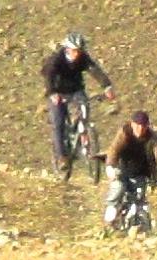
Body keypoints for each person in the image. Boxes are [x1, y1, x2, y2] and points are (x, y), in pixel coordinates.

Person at [41, 32, 115, 171]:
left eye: (79, 51)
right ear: (68, 49)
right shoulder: (56, 60)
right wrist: (52, 93)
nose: (78, 54)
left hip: (76, 90)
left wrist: (107, 86)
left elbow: (94, 70)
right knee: (58, 124)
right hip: (58, 92)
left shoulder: (83, 58)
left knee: (84, 109)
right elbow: (48, 76)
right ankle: (62, 157)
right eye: (75, 51)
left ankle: (85, 139)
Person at [102, 110, 157, 228]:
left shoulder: (151, 137)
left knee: (140, 197)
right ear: (132, 124)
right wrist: (110, 167)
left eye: (143, 126)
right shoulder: (124, 133)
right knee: (118, 188)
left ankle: (140, 225)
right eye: (138, 125)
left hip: (142, 172)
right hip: (122, 169)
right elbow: (114, 150)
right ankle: (109, 217)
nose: (141, 129)